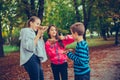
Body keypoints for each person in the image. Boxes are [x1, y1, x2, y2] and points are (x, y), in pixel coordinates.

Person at [19, 16, 48, 80]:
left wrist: (40, 35)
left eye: (39, 24)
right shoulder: (26, 31)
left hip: (35, 57)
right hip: (30, 58)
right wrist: (38, 35)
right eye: (37, 24)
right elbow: (29, 47)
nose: (38, 26)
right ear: (31, 23)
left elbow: (40, 46)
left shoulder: (33, 33)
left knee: (41, 78)